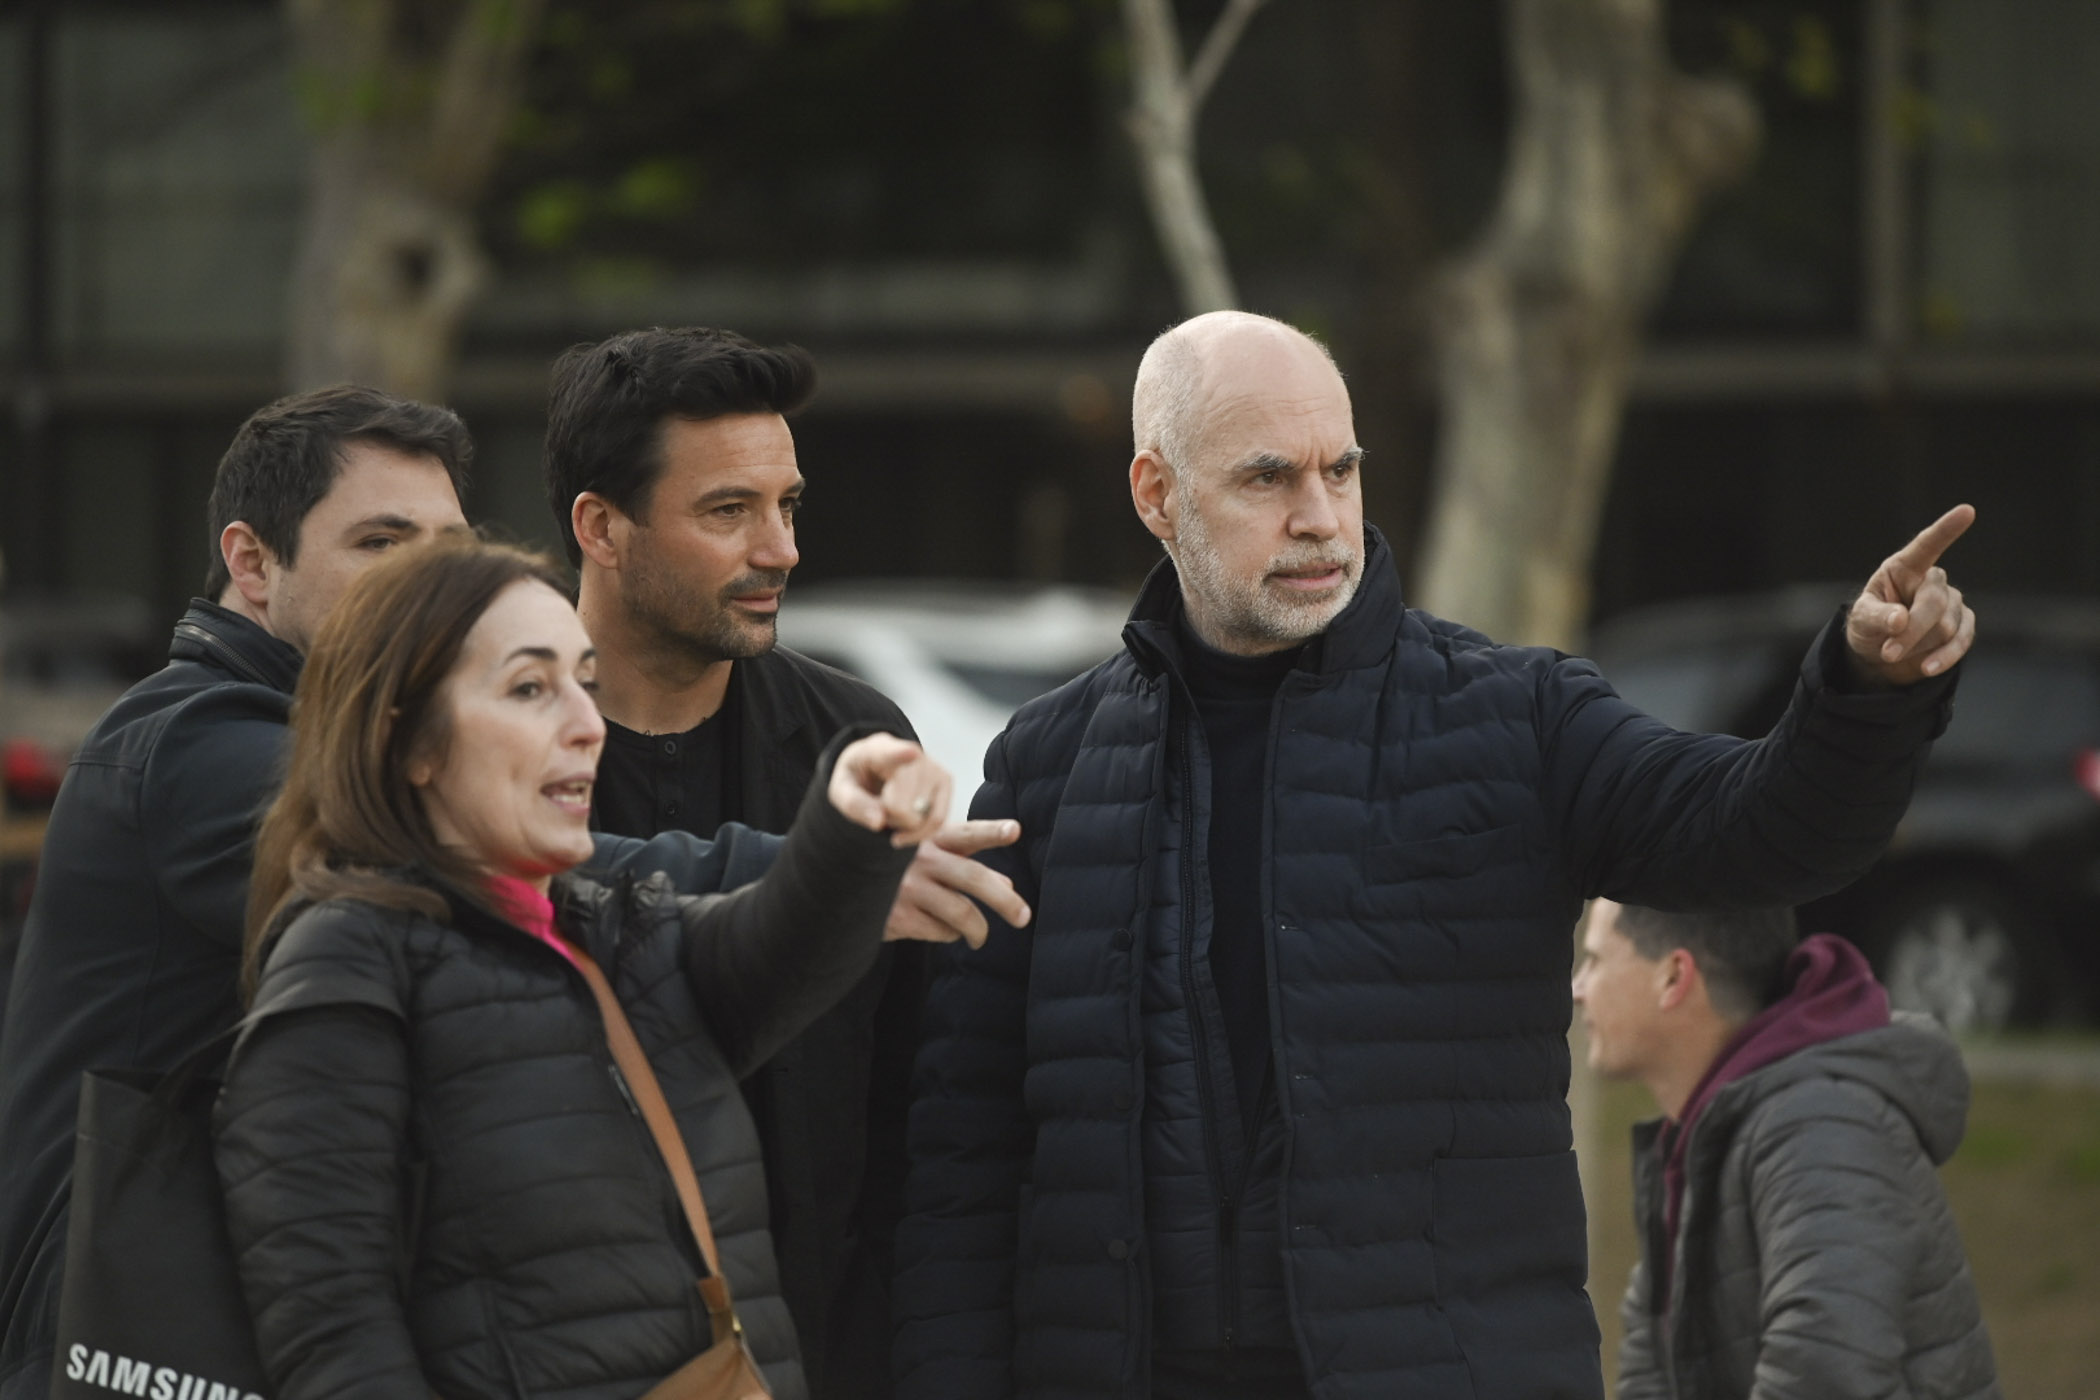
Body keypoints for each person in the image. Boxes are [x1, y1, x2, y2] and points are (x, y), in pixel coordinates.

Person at [892, 310, 1977, 1400]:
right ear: (1156, 494)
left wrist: (1865, 692)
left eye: (1341, 470)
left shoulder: (1515, 716)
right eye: (1268, 479)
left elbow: (1763, 830)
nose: (1322, 517)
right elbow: (964, 1154)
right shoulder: (1049, 762)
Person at [0, 386, 1019, 1400]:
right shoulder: (196, 745)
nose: (429, 585)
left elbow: (703, 958)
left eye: (448, 548)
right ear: (253, 560)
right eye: (384, 543)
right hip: (128, 1331)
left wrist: (838, 863)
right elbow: (516, 871)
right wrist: (794, 862)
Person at [214, 537, 945, 1400]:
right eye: (531, 688)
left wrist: (853, 824)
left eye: (584, 683)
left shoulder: (603, 926)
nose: (587, 724)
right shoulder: (346, 960)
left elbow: (775, 950)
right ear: (407, 741)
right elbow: (331, 1333)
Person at [545, 325, 996, 1400]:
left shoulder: (857, 741)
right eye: (728, 510)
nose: (781, 547)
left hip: (813, 1353)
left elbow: (916, 1117)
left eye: (786, 503)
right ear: (601, 527)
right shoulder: (494, 751)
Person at [1573, 900, 1999, 1400]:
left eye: (1596, 960)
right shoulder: (1699, 1141)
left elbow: (1824, 1379)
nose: (1577, 988)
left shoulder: (1822, 1125)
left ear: (1674, 977)